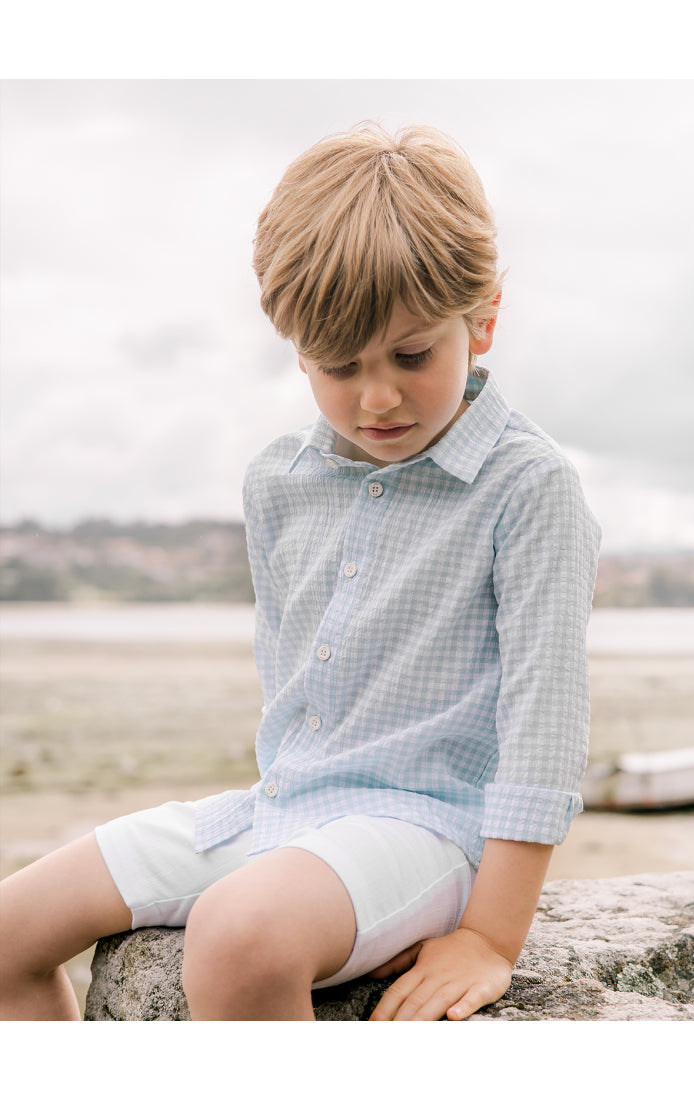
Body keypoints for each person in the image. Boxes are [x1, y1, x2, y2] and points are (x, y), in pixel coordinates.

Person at [0, 123, 601, 1022]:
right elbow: (295, 702)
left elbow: (543, 734)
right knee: (10, 927)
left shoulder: (530, 487)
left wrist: (487, 936)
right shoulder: (276, 483)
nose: (377, 398)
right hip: (279, 811)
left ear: (481, 320)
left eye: (411, 355)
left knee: (240, 936)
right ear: (293, 346)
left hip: (426, 828)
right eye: (336, 365)